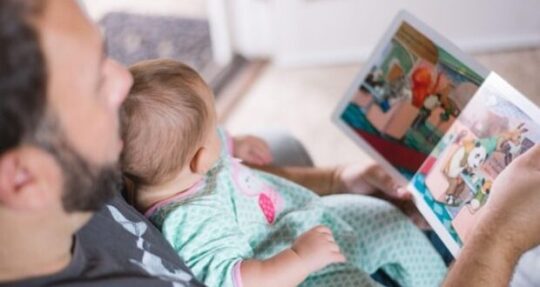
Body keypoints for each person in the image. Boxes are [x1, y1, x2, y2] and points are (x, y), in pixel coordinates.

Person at [0, 1, 538, 286]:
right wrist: (498, 240)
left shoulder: (99, 162)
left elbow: (215, 176)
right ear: (22, 178)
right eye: (95, 80)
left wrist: (332, 179)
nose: (123, 82)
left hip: (293, 226)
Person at [120, 59, 448, 287]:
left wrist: (235, 143)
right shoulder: (188, 221)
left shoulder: (173, 167)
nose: (219, 130)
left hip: (301, 218)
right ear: (200, 159)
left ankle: (445, 280)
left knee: (389, 220)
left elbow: (202, 140)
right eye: (214, 126)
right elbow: (234, 280)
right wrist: (300, 259)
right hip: (298, 273)